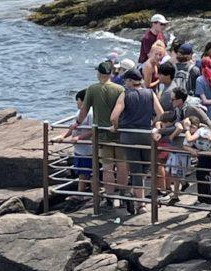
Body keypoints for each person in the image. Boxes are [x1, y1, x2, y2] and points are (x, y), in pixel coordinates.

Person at [110, 68, 162, 212]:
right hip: (146, 134)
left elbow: (114, 117)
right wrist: (153, 124)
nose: (125, 84)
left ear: (131, 81)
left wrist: (115, 127)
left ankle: (139, 202)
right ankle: (137, 198)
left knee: (136, 168)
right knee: (146, 166)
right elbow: (161, 114)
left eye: (126, 81)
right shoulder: (150, 93)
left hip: (129, 135)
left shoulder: (125, 95)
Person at [72, 61, 124, 201]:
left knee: (107, 166)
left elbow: (84, 111)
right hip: (118, 133)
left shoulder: (92, 89)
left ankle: (110, 197)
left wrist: (76, 124)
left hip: (101, 134)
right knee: (121, 165)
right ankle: (125, 195)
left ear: (99, 74)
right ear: (111, 73)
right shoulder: (120, 89)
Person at [63, 89, 93, 193]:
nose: (77, 103)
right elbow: (73, 127)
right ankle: (81, 192)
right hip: (79, 149)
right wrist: (63, 136)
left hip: (87, 149)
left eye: (78, 100)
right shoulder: (79, 112)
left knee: (87, 172)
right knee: (81, 172)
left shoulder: (91, 113)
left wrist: (79, 138)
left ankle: (85, 193)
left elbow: (93, 130)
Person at [184, 115, 211, 206]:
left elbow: (189, 139)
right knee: (200, 175)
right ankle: (202, 199)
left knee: (207, 176)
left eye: (191, 127)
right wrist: (192, 150)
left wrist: (186, 129)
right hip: (203, 154)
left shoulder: (202, 130)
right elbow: (185, 145)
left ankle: (208, 200)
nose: (190, 129)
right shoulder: (191, 133)